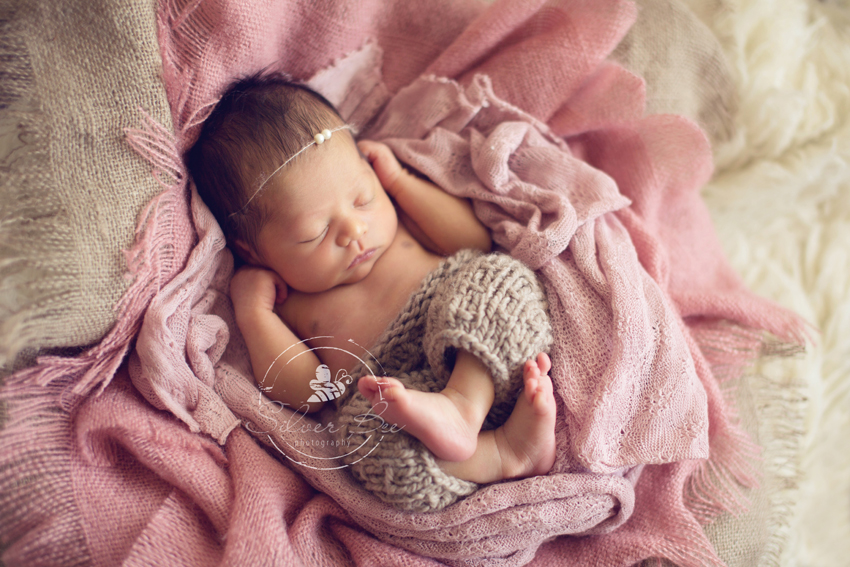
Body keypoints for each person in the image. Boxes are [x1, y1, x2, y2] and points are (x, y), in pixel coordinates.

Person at [185, 73, 556, 487]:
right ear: (253, 252)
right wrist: (254, 314)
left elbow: (472, 240)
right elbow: (310, 394)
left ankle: (463, 406)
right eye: (316, 233)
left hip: (477, 348)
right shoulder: (286, 300)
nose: (354, 231)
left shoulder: (397, 224)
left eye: (364, 199)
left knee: (497, 279)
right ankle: (506, 453)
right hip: (395, 393)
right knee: (359, 439)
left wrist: (400, 182)